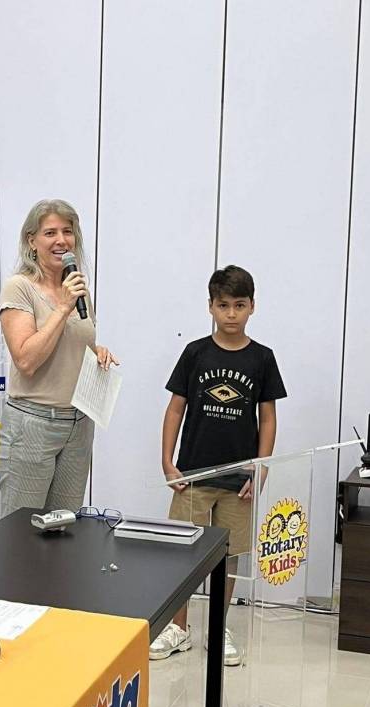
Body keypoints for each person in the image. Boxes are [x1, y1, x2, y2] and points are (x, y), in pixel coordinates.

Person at [150, 265, 286, 665]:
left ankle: (217, 626)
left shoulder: (262, 358)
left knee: (230, 555)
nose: (231, 314)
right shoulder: (195, 353)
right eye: (223, 305)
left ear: (252, 306)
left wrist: (260, 467)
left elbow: (268, 418)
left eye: (239, 305)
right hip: (192, 475)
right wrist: (167, 461)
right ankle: (178, 628)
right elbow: (175, 409)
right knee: (182, 552)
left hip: (238, 480)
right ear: (210, 306)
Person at [0, 199, 118, 517]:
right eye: (50, 232)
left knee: (63, 526)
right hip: (34, 423)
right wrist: (63, 307)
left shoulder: (78, 289)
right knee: (21, 529)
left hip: (79, 423)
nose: (61, 240)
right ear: (31, 241)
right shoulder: (19, 288)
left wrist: (97, 352)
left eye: (68, 231)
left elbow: (73, 343)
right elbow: (26, 360)